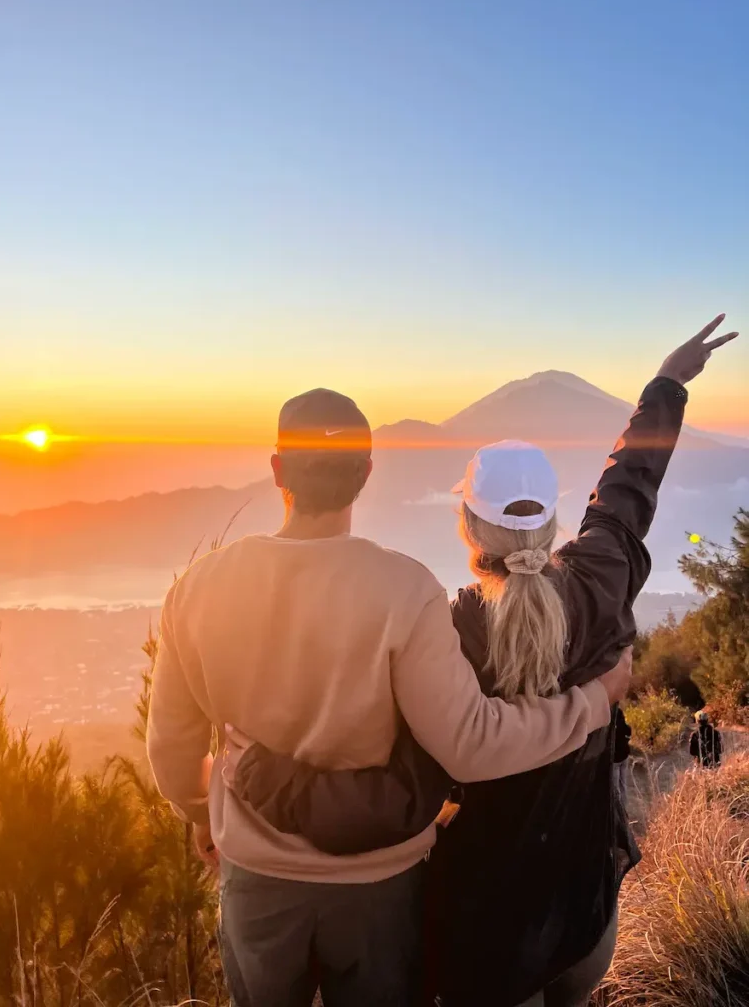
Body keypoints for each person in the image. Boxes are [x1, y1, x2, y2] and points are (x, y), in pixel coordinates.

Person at [227, 315, 737, 1007]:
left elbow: (401, 789)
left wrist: (263, 777)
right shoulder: (603, 574)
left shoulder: (447, 630)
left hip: (490, 937)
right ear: (556, 522)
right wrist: (667, 383)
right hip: (587, 911)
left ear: (466, 524)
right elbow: (629, 487)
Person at [146, 387, 630, 1007]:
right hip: (380, 884)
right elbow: (472, 745)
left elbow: (172, 751)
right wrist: (591, 704)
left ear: (276, 471)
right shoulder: (408, 591)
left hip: (258, 880)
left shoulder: (198, 590)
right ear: (366, 475)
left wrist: (201, 814)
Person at [613, 707, 632, 806]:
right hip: (625, 756)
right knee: (623, 784)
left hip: (616, 760)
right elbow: (628, 736)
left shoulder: (612, 732)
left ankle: (618, 808)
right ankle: (624, 805)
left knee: (615, 787)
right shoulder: (626, 727)